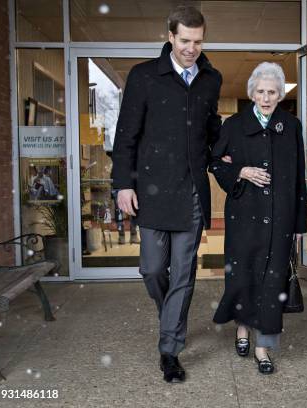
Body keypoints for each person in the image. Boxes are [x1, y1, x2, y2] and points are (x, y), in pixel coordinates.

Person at [111, 5, 222, 383]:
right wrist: (123, 184)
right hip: (152, 191)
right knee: (153, 269)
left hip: (191, 190)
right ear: (170, 37)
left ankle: (169, 349)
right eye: (185, 40)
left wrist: (224, 152)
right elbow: (125, 135)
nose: (192, 48)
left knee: (184, 274)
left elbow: (211, 128)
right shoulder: (144, 77)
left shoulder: (211, 78)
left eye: (198, 41)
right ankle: (170, 318)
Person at [210, 62, 307, 375]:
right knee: (243, 276)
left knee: (271, 281)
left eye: (272, 92)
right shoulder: (234, 125)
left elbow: (297, 177)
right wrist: (240, 170)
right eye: (261, 91)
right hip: (244, 214)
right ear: (252, 92)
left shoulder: (291, 126)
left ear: (281, 95)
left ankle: (263, 347)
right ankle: (242, 328)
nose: (266, 97)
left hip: (280, 217)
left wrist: (299, 225)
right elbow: (214, 162)